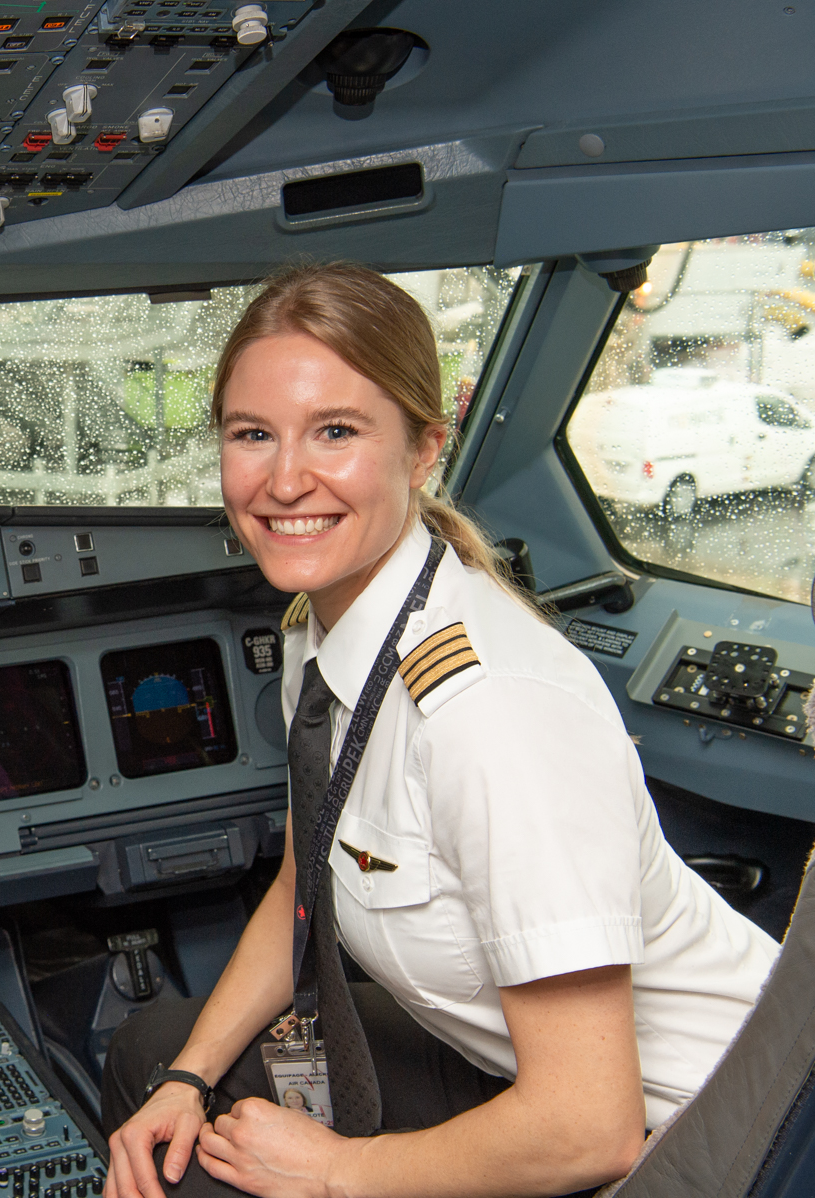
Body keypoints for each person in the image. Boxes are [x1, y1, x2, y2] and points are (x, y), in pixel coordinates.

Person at [99, 264, 780, 1198]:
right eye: (252, 434)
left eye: (335, 432)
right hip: (517, 1065)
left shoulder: (492, 715)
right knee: (154, 1055)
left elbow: (592, 1127)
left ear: (423, 450)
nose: (285, 479)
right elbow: (310, 873)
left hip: (719, 1138)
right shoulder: (324, 625)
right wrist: (188, 1075)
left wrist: (339, 1173)